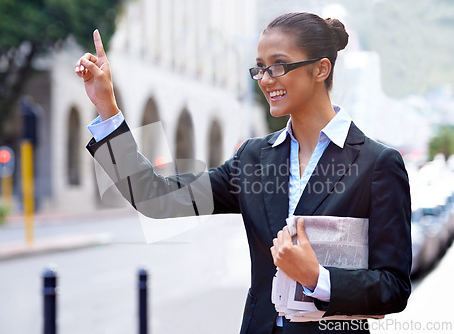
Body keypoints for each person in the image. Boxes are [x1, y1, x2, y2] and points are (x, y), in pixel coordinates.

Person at [75, 12, 411, 334]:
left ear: (321, 69)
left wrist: (318, 277)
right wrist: (108, 109)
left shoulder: (377, 163)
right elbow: (156, 198)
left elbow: (393, 287)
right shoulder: (252, 159)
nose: (265, 80)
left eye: (278, 66)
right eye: (260, 68)